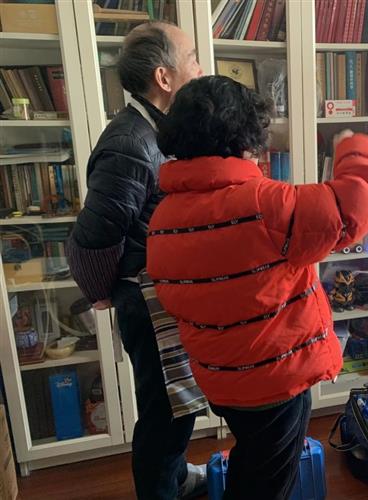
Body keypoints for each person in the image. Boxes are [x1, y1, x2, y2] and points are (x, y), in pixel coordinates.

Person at [146, 75, 368, 500]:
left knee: (254, 461)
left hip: (220, 378)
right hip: (274, 382)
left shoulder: (164, 217)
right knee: (269, 484)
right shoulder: (265, 205)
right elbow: (359, 200)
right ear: (245, 140)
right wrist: (352, 144)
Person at [66, 22, 205, 499]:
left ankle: (176, 479)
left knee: (177, 403)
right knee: (165, 412)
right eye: (192, 58)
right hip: (146, 299)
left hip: (162, 292)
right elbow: (92, 239)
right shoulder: (130, 142)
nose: (200, 69)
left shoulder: (157, 129)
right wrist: (103, 290)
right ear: (164, 77)